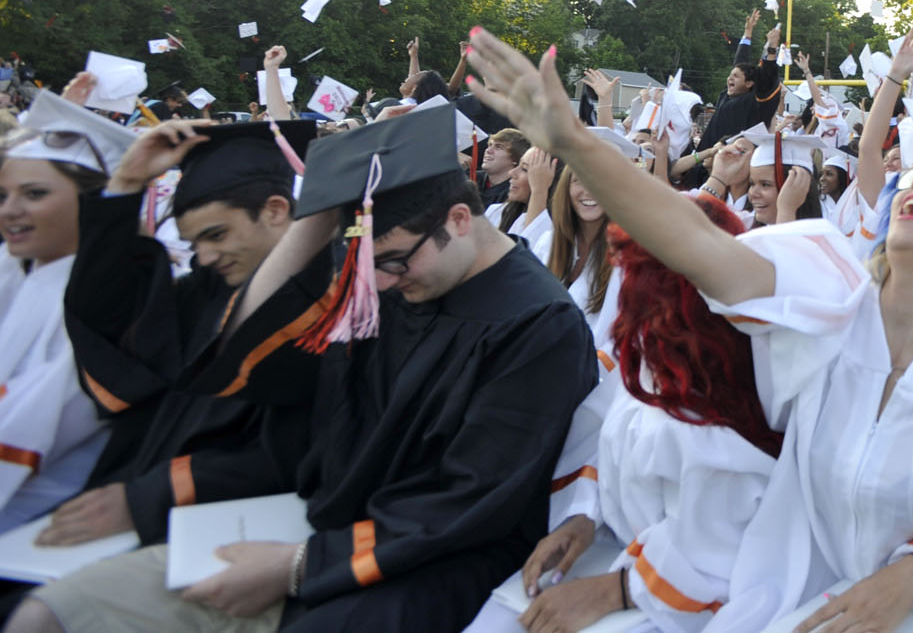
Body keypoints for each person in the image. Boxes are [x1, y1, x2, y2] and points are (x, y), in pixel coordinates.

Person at [463, 22, 913, 632]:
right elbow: (694, 239)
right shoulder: (826, 309)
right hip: (788, 599)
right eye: (912, 177)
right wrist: (577, 145)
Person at [10, 104, 599, 633]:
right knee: (53, 612)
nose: (382, 283)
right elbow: (241, 353)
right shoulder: (386, 285)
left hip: (424, 563)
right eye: (370, 265)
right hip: (306, 527)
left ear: (460, 219)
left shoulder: (537, 327)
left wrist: (296, 568)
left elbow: (466, 502)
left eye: (392, 261)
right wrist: (318, 209)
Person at [461, 199, 782, 633]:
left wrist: (620, 590)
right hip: (617, 548)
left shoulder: (736, 386)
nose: (630, 289)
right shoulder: (651, 354)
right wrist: (581, 517)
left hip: (687, 593)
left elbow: (730, 539)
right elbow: (598, 433)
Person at [40, 119, 314, 551]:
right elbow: (105, 312)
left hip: (227, 530)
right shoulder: (206, 291)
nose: (203, 257)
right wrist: (127, 183)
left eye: (217, 235)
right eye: (194, 243)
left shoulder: (328, 306)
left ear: (277, 210)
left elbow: (297, 453)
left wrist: (148, 497)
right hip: (134, 495)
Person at [0, 90, 133, 532]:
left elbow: (25, 427)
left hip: (33, 513)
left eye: (34, 193)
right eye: (3, 195)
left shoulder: (101, 303)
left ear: (94, 203)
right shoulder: (23, 270)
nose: (10, 211)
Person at [543, 163, 622, 353]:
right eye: (579, 180)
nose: (589, 190)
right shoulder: (548, 243)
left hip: (601, 374)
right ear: (567, 187)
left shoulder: (627, 259)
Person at [692, 14, 784, 159]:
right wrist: (748, 32)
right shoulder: (726, 96)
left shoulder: (753, 101)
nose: (730, 78)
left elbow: (767, 76)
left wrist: (772, 48)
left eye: (735, 77)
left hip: (732, 162)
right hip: (707, 158)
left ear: (749, 83)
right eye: (730, 75)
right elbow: (740, 62)